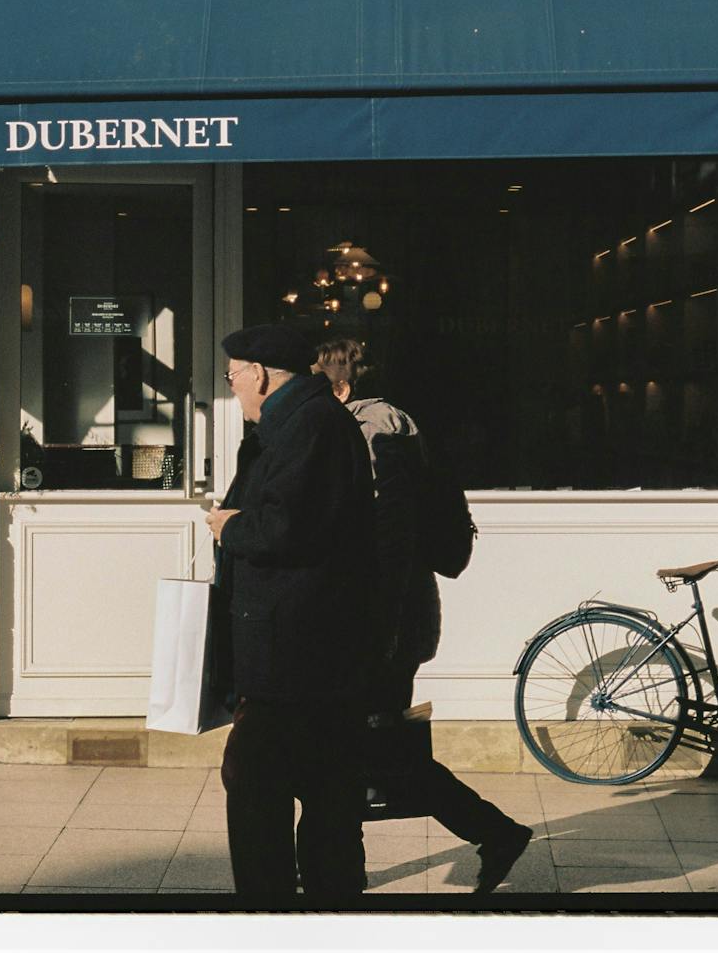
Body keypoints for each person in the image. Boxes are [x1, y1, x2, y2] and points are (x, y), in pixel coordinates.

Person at [313, 337, 534, 895]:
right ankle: (336, 861)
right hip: (389, 618)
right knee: (359, 748)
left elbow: (389, 538)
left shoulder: (374, 430)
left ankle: (493, 832)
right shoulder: (377, 424)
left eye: (315, 384)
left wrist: (379, 629)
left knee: (368, 751)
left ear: (340, 387)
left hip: (385, 621)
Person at [206, 323, 380, 904]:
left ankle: (271, 909)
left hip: (295, 647)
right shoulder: (299, 422)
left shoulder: (305, 427)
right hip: (309, 644)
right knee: (324, 790)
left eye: (233, 377)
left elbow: (286, 526)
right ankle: (326, 905)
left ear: (257, 374)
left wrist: (231, 527)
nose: (232, 388)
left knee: (255, 780)